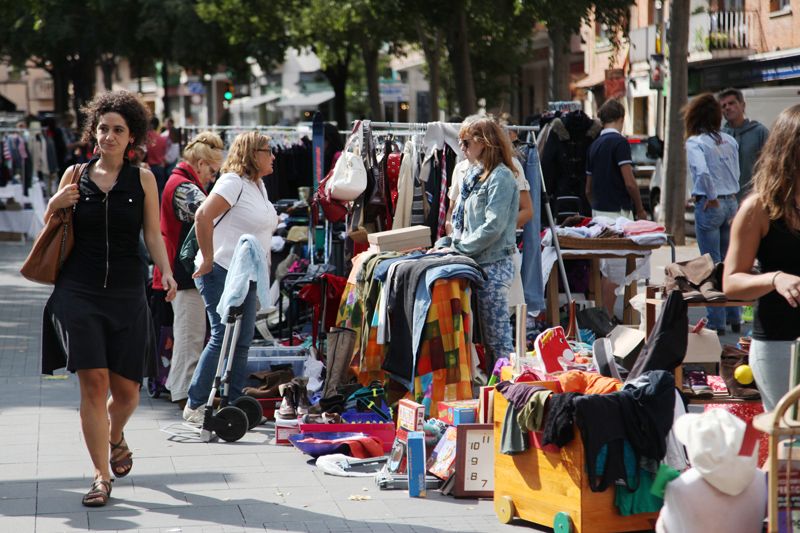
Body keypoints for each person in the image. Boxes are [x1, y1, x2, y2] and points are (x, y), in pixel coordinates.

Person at [40, 90, 177, 506]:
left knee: (129, 391)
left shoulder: (145, 179)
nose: (110, 136)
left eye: (118, 130)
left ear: (132, 135)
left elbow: (152, 232)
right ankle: (101, 476)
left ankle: (115, 434)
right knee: (94, 386)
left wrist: (166, 270)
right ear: (93, 132)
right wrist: (55, 201)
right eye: (103, 129)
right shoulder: (74, 175)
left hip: (126, 291)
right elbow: (50, 227)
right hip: (78, 292)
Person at [182, 131, 278, 424]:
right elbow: (202, 216)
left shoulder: (258, 185)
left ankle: (234, 402)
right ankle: (195, 404)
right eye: (268, 150)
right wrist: (208, 258)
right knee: (222, 335)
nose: (273, 156)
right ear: (252, 154)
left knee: (243, 340)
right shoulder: (233, 182)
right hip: (221, 269)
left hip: (245, 273)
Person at [723, 104, 800, 411]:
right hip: (778, 343)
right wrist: (775, 278)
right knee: (788, 442)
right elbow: (731, 282)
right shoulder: (758, 209)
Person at [434, 117, 519, 363]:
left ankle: (507, 391)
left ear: (485, 143)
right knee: (475, 336)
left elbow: (493, 227)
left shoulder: (500, 177)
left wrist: (457, 247)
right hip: (472, 262)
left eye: (465, 142)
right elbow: (462, 220)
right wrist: (448, 245)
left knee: (497, 337)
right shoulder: (472, 174)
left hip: (492, 266)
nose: (461, 147)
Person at [153, 132, 223, 408]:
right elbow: (210, 215)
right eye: (212, 171)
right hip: (182, 273)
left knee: (189, 334)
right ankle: (184, 392)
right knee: (189, 335)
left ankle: (179, 385)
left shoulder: (179, 181)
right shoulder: (184, 187)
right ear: (201, 163)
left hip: (179, 271)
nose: (212, 178)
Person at [585, 99, 648, 318]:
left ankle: (606, 314)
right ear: (621, 118)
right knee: (616, 269)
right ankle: (607, 317)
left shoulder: (593, 146)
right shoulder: (619, 143)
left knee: (605, 268)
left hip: (598, 212)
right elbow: (629, 181)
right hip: (618, 213)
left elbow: (588, 188)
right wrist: (640, 208)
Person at [685, 93, 741, 334]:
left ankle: (716, 321)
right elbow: (736, 172)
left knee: (710, 264)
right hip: (731, 202)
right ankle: (734, 315)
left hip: (712, 205)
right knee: (730, 262)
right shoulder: (729, 140)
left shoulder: (696, 142)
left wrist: (711, 196)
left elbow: (702, 171)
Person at [719, 88, 769, 200]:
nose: (727, 107)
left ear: (743, 105)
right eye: (723, 106)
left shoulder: (759, 132)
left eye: (731, 103)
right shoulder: (719, 137)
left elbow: (770, 166)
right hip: (726, 203)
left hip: (753, 200)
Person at [145, 117, 168, 193]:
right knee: (159, 193)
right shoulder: (162, 138)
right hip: (160, 168)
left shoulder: (146, 138)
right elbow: (165, 154)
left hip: (148, 167)